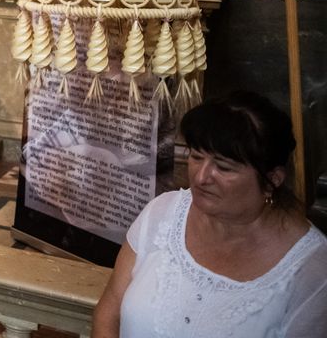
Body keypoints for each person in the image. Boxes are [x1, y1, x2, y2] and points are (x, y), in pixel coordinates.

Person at [92, 91, 327, 337]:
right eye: (196, 156)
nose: (202, 177)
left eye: (224, 167)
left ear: (272, 180)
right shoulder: (162, 213)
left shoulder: (311, 272)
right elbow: (109, 312)